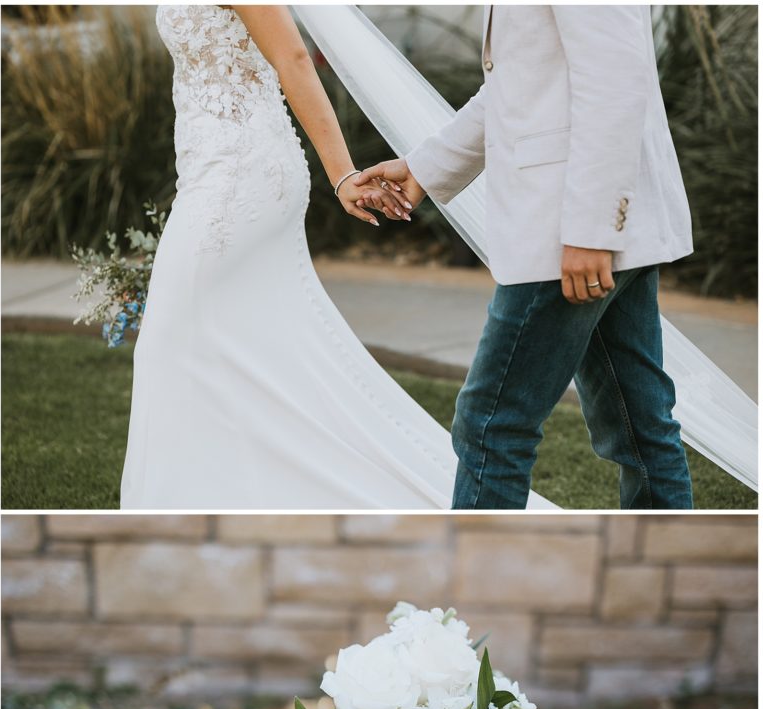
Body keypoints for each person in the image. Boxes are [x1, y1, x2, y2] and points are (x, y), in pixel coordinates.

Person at [121, 4, 502, 509]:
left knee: (166, 340)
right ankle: (236, 498)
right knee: (233, 349)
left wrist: (342, 173)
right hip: (207, 172)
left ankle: (171, 507)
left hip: (240, 178)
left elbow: (294, 58)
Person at [357, 5, 695, 510]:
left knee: (492, 424)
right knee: (640, 427)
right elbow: (517, 84)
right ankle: (675, 585)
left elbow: (616, 82)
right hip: (594, 232)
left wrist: (589, 231)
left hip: (567, 233)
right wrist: (424, 168)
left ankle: (475, 590)